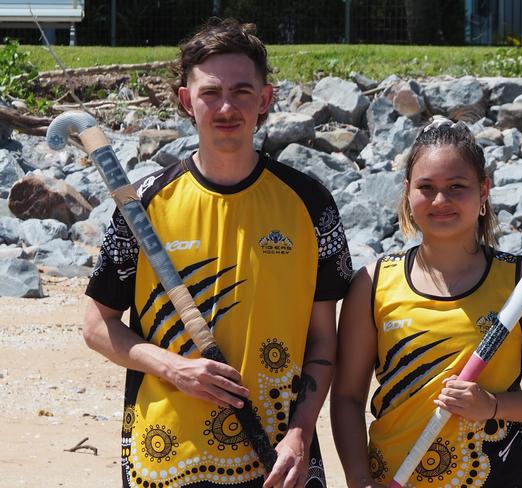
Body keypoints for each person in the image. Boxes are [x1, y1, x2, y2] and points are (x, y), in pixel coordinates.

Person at [84, 18, 352, 488]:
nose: (226, 107)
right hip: (166, 458)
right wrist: (174, 367)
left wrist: (300, 434)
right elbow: (96, 325)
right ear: (187, 101)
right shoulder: (143, 205)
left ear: (265, 99)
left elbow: (324, 342)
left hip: (279, 459)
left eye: (242, 91)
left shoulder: (311, 204)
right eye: (211, 92)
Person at [330, 119, 522, 487]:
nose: (440, 201)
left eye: (456, 187)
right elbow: (348, 397)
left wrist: (494, 405)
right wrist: (358, 479)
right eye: (426, 188)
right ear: (407, 193)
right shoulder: (373, 284)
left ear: (483, 192)